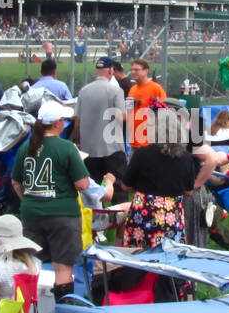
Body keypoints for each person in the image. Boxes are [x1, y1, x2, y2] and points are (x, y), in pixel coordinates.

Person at [12, 99, 89, 302]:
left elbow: (16, 182)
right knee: (62, 266)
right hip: (62, 214)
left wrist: (30, 199)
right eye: (63, 119)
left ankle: (33, 311)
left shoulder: (26, 148)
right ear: (57, 123)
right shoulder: (66, 147)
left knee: (32, 264)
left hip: (31, 213)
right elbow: (82, 184)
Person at [120, 108, 203, 247]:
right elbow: (188, 191)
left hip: (144, 216)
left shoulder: (141, 154)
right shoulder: (186, 159)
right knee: (170, 259)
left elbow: (125, 185)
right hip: (172, 217)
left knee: (138, 256)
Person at [73, 55, 127, 188]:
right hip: (112, 148)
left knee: (93, 187)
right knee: (117, 185)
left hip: (89, 149)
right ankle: (117, 209)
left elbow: (77, 120)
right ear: (111, 71)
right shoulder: (115, 90)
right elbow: (121, 117)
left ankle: (96, 209)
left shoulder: (83, 91)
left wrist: (78, 142)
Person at [126, 58, 165, 147]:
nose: (133, 72)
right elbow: (129, 112)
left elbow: (165, 112)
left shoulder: (156, 88)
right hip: (134, 142)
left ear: (146, 71)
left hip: (149, 143)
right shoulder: (132, 89)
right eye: (132, 70)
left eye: (136, 70)